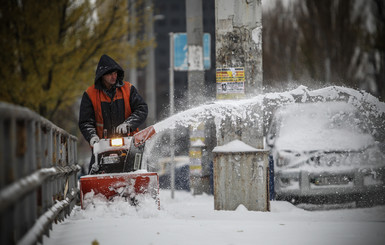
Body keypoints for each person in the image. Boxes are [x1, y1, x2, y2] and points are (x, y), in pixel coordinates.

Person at [79, 54, 148, 173]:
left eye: (115, 73)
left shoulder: (128, 89)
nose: (114, 76)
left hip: (129, 145)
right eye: (110, 74)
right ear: (102, 75)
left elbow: (142, 109)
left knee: (136, 173)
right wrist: (92, 136)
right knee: (95, 178)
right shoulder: (90, 94)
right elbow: (86, 121)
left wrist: (128, 124)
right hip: (101, 147)